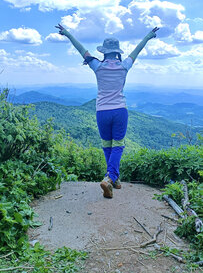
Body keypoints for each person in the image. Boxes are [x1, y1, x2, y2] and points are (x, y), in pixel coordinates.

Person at [55, 23, 159, 198]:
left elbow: (82, 49)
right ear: (117, 52)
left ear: (104, 52)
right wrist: (148, 36)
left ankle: (113, 179)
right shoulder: (124, 65)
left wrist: (67, 33)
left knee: (107, 146)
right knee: (118, 145)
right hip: (120, 110)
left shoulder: (98, 66)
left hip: (102, 111)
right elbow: (137, 50)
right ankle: (110, 177)